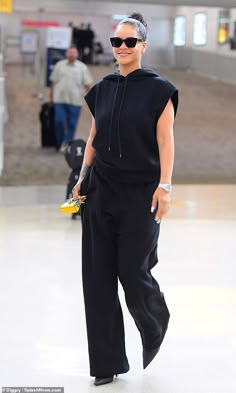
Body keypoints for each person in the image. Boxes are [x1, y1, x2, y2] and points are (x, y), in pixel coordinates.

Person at [72, 12, 178, 387]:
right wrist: (82, 177)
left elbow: (166, 141)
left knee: (132, 270)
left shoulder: (159, 89)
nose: (121, 47)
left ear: (142, 46)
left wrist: (165, 185)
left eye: (129, 42)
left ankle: (155, 319)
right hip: (101, 189)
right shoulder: (102, 88)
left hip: (141, 193)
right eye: (117, 42)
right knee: (97, 276)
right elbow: (95, 135)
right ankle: (106, 362)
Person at [49, 47, 93, 151]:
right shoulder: (59, 66)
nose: (72, 54)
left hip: (75, 101)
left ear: (77, 55)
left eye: (74, 52)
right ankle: (59, 141)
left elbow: (87, 84)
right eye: (70, 52)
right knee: (59, 121)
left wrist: (91, 100)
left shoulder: (82, 68)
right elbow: (53, 81)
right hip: (59, 99)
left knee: (72, 124)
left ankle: (67, 143)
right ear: (66, 54)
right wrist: (50, 96)